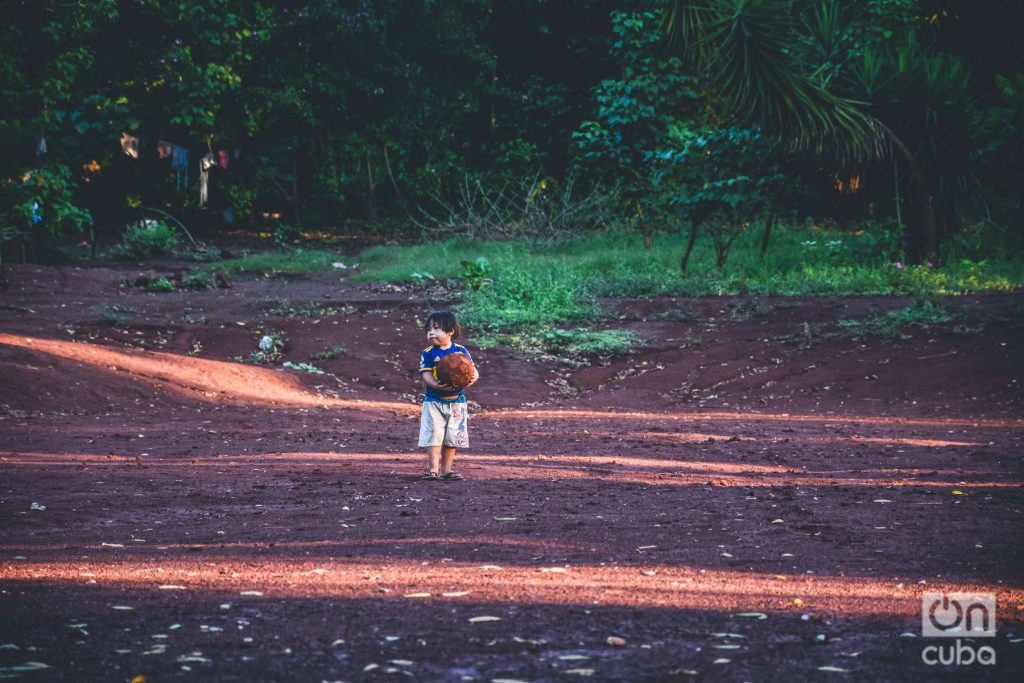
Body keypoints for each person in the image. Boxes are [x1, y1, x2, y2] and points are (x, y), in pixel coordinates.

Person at [417, 310, 478, 481]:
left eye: (436, 329)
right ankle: (433, 470)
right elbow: (426, 374)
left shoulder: (461, 350)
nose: (431, 333)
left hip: (457, 403)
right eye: (428, 330)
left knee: (452, 438)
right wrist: (436, 385)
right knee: (434, 436)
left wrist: (471, 379)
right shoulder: (428, 352)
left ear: (450, 331)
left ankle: (446, 470)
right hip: (433, 402)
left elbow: (473, 371)